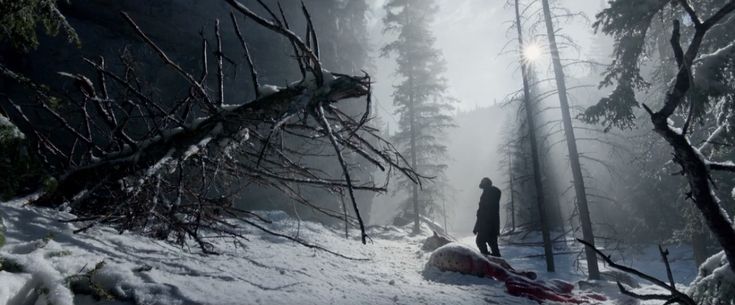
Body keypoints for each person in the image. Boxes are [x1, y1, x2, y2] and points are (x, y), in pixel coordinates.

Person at [473, 177, 501, 256]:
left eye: (482, 182)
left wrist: (478, 227)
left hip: (487, 225)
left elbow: (483, 212)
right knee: (493, 245)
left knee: (480, 241)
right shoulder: (489, 192)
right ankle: (495, 261)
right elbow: (481, 212)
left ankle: (488, 259)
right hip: (490, 225)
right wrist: (476, 227)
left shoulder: (490, 193)